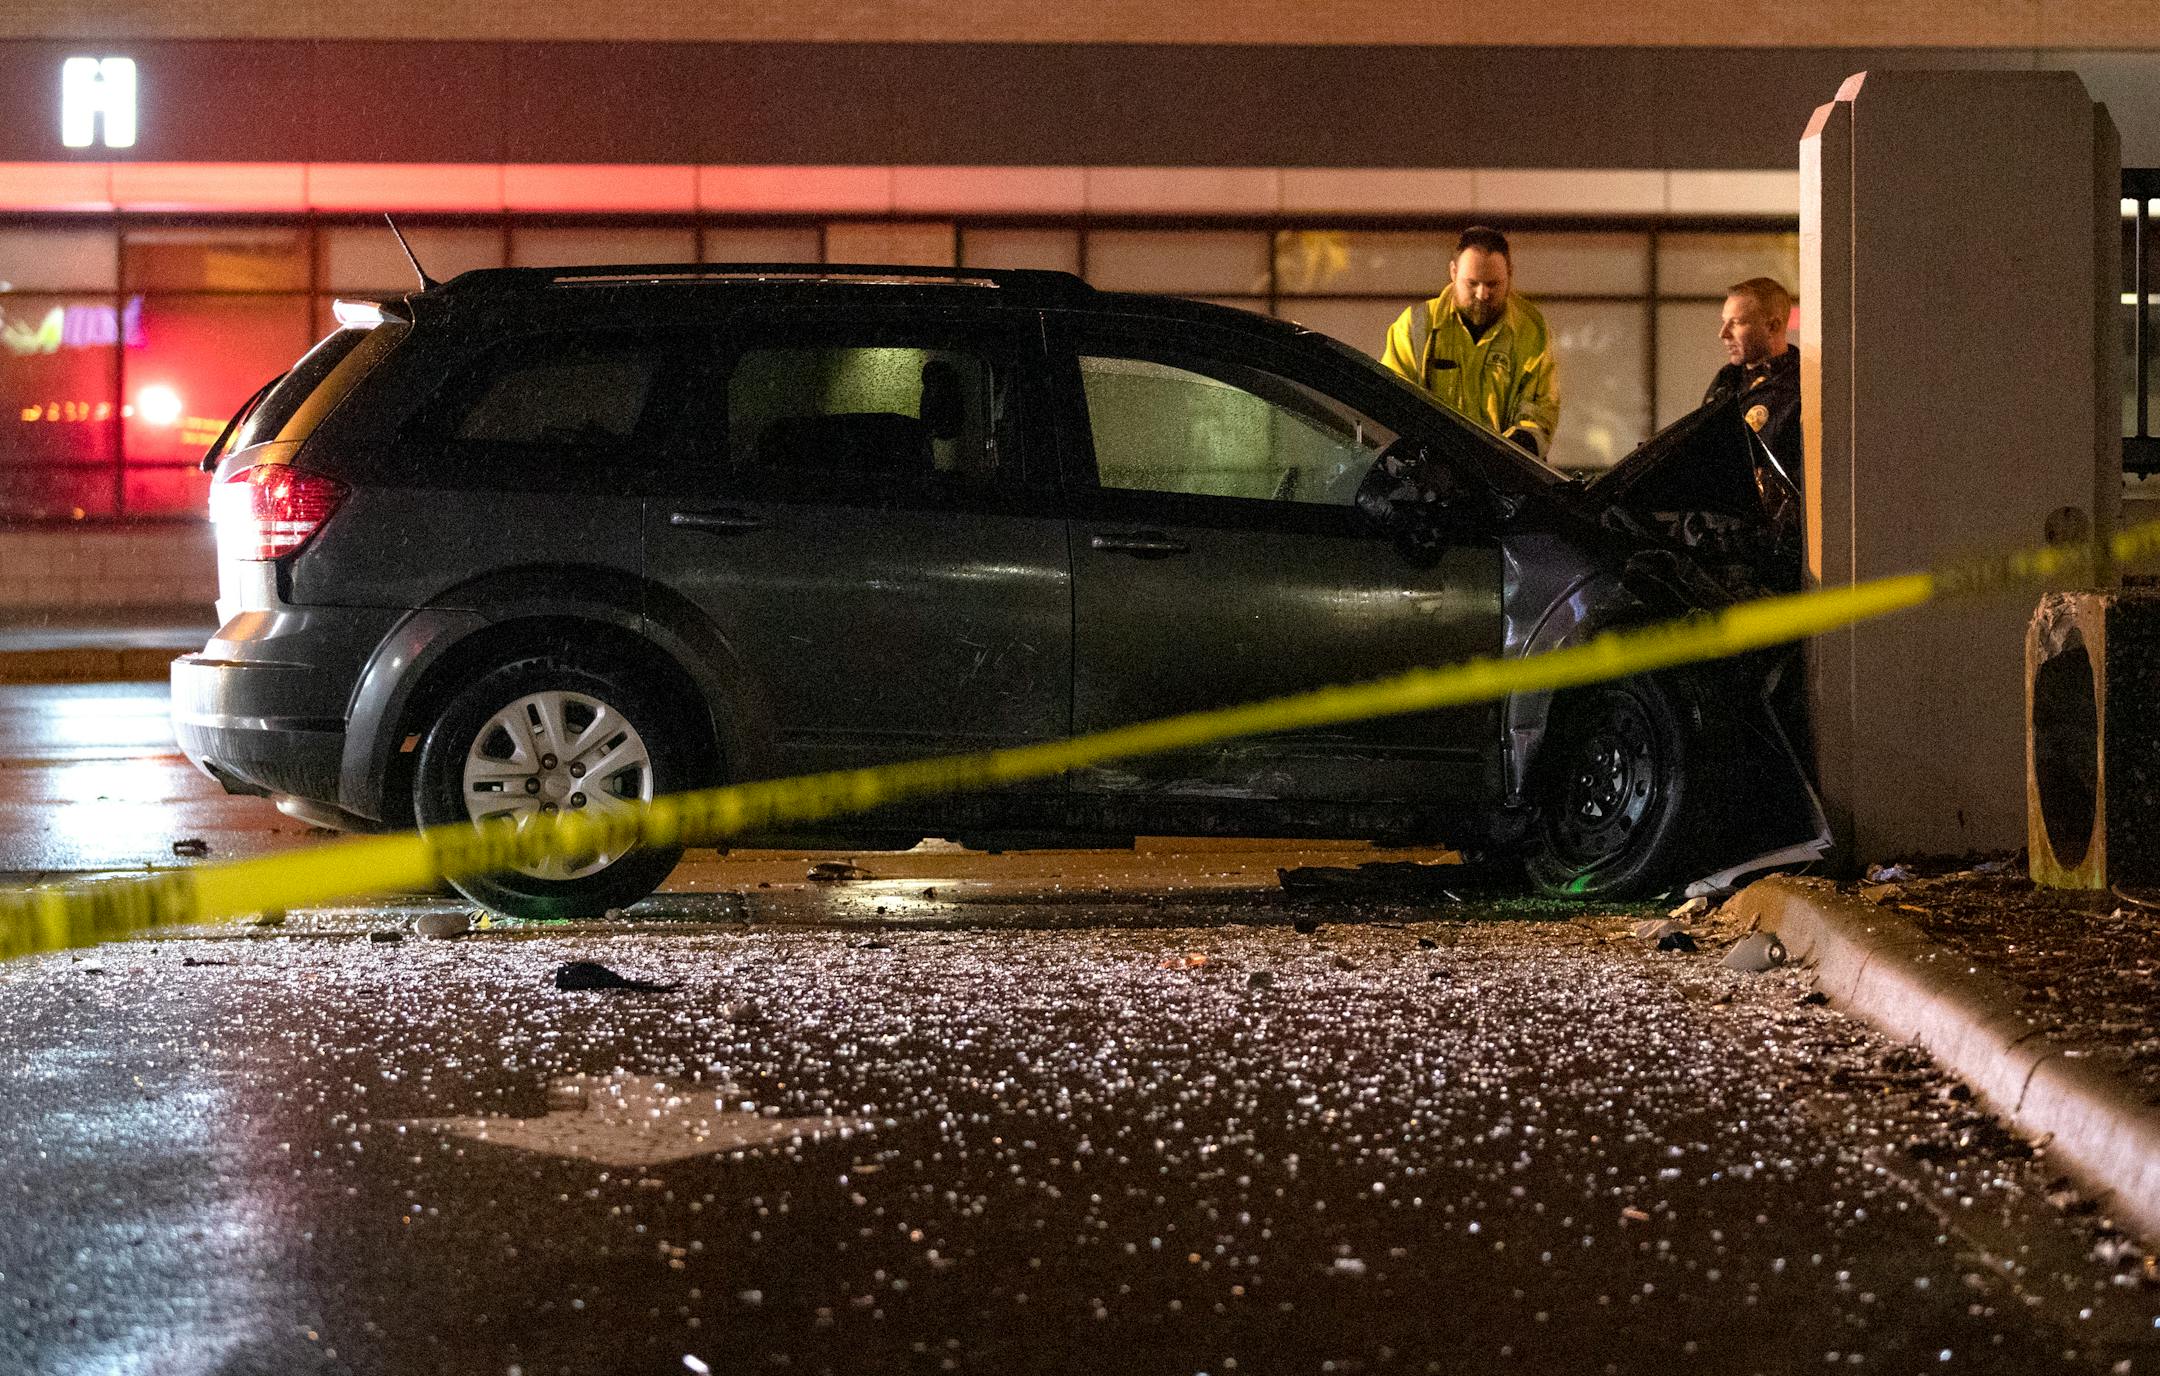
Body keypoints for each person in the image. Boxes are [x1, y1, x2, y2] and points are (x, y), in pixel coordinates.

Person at [1380, 226, 1560, 461]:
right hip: (1431, 480)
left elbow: (1540, 409)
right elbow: (1393, 403)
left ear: (1510, 274)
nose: (1482, 294)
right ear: (1453, 272)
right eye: (1472, 283)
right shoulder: (1415, 327)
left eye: (1493, 284)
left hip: (1503, 481)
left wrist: (1510, 453)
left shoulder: (1531, 331)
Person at [1703, 276, 1801, 481]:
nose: (1723, 333)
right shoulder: (1726, 381)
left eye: (1736, 323)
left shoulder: (1800, 385)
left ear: (1772, 326)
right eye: (1724, 322)